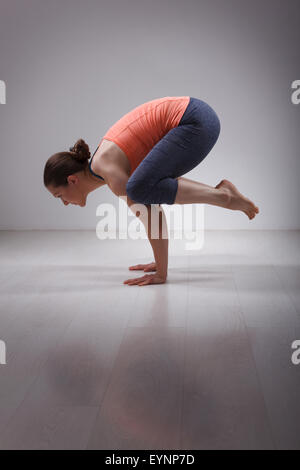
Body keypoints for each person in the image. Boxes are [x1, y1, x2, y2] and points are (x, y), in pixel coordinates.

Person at [44, 96, 259, 286]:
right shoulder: (106, 165)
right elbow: (153, 204)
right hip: (201, 118)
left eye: (59, 195)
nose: (63, 202)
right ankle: (223, 194)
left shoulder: (107, 169)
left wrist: (161, 273)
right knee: (143, 185)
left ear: (72, 180)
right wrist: (158, 263)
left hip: (196, 122)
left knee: (137, 189)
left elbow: (152, 217)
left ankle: (224, 197)